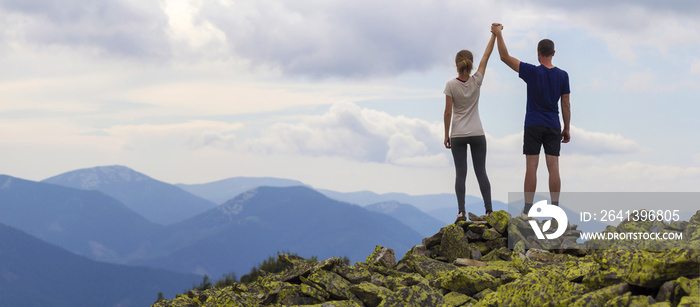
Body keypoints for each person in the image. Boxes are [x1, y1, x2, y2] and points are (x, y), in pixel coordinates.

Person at [490, 23, 571, 217]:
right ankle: (555, 209)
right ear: (553, 53)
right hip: (553, 124)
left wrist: (498, 34)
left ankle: (527, 210)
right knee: (554, 167)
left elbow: (504, 57)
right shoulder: (563, 76)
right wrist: (567, 127)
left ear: (538, 53)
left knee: (531, 167)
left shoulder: (532, 72)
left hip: (533, 123)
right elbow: (566, 105)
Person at [443, 29, 497, 223]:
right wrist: (494, 35)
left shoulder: (451, 85)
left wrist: (446, 134)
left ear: (456, 64)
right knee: (481, 171)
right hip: (477, 133)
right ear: (471, 63)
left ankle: (461, 212)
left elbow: (448, 112)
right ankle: (489, 210)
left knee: (461, 174)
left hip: (458, 134)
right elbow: (487, 55)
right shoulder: (477, 81)